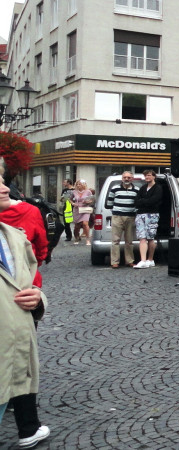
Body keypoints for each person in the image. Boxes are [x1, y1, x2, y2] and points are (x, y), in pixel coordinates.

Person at [0, 176, 50, 449]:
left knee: (22, 366)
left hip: (19, 326)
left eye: (2, 181)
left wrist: (38, 298)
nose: (6, 188)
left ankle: (28, 427)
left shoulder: (13, 236)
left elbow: (29, 273)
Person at [105, 171, 138, 268]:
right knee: (115, 240)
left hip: (130, 217)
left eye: (129, 177)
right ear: (122, 178)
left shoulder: (137, 190)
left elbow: (137, 204)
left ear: (132, 179)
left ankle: (129, 261)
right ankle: (115, 262)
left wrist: (133, 212)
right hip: (117, 217)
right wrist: (116, 212)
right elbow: (109, 203)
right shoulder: (115, 189)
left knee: (129, 241)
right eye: (125, 177)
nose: (126, 179)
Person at [132, 170, 162, 269]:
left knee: (150, 238)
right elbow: (136, 201)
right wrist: (145, 202)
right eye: (145, 175)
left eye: (149, 175)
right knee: (142, 237)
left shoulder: (158, 188)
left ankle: (150, 259)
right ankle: (143, 260)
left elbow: (154, 200)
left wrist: (143, 201)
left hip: (152, 215)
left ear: (154, 177)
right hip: (140, 215)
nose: (147, 177)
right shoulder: (143, 188)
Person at [71, 180, 95, 245]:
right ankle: (77, 237)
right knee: (77, 226)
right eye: (77, 184)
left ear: (83, 185)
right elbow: (69, 199)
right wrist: (73, 203)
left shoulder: (88, 192)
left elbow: (92, 199)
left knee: (85, 223)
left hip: (85, 208)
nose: (78, 185)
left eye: (80, 184)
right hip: (77, 209)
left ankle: (88, 240)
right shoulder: (74, 192)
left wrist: (88, 202)